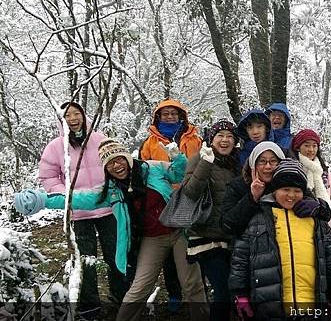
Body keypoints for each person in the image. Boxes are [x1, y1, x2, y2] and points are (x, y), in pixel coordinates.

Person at [15, 138, 206, 320]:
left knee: (191, 284)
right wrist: (43, 200)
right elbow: (78, 198)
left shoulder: (153, 168)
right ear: (105, 168)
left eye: (119, 159)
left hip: (179, 231)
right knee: (139, 287)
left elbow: (179, 174)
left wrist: (178, 157)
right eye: (110, 163)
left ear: (128, 158)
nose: (117, 165)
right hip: (152, 239)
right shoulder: (111, 191)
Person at [38, 101, 127, 318]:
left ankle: (121, 297)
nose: (73, 119)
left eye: (77, 113)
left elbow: (116, 164)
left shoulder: (99, 139)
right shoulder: (56, 147)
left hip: (107, 209)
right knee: (85, 260)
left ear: (84, 115)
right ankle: (90, 307)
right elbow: (48, 177)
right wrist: (70, 197)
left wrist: (109, 190)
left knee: (116, 254)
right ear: (62, 120)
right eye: (68, 115)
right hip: (78, 214)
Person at [228, 159, 331, 320]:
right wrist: (240, 294)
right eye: (285, 189)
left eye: (297, 190)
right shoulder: (259, 219)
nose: (291, 195)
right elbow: (240, 258)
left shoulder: (314, 220)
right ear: (275, 190)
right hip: (270, 307)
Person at [138, 98, 203, 310]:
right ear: (158, 117)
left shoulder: (195, 139)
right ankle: (174, 292)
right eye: (165, 114)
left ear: (181, 116)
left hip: (191, 197)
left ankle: (194, 290)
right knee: (166, 247)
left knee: (191, 245)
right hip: (164, 201)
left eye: (173, 114)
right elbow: (144, 172)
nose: (169, 117)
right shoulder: (149, 143)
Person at [181, 119, 240, 321]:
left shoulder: (236, 164)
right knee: (223, 291)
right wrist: (206, 164)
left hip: (230, 238)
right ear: (211, 139)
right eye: (220, 136)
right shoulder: (200, 159)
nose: (225, 140)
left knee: (233, 290)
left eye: (230, 136)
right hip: (205, 238)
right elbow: (190, 193)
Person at [220, 141, 285, 236]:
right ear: (253, 165)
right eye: (262, 161)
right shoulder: (238, 186)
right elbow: (227, 226)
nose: (268, 166)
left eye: (273, 161)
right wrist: (252, 197)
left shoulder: (288, 185)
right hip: (248, 247)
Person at [291, 129, 331, 228]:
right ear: (298, 147)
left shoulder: (323, 171)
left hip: (326, 224)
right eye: (306, 145)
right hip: (301, 225)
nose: (311, 149)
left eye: (314, 146)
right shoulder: (293, 169)